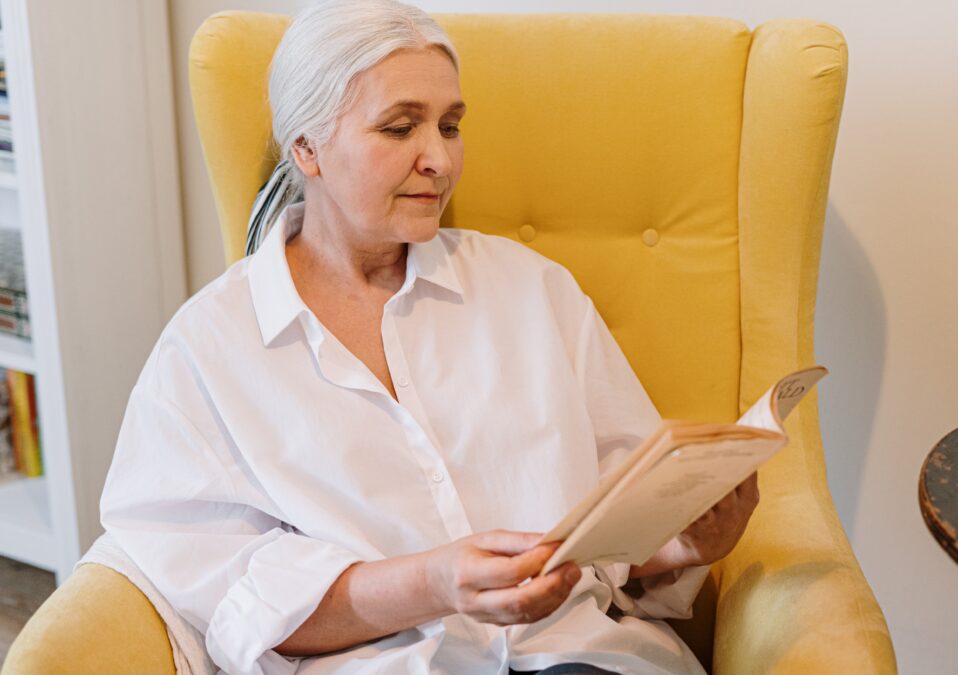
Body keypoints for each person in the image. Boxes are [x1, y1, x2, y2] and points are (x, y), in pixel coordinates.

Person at [99, 1, 759, 673]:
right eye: (400, 127)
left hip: (578, 657)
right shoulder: (212, 348)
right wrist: (433, 583)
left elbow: (617, 520)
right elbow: (236, 599)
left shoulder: (532, 291)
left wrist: (685, 541)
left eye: (450, 126)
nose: (439, 160)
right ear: (307, 147)